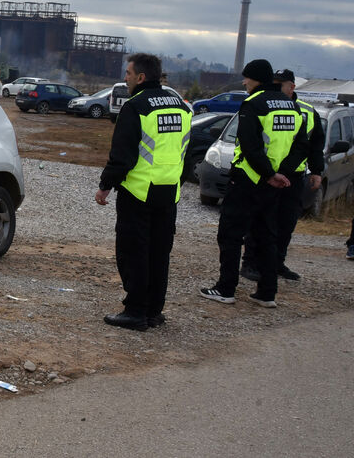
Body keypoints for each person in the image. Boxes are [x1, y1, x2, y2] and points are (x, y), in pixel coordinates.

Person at [95, 53, 191, 330]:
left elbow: (122, 155)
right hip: (168, 192)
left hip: (138, 193)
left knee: (133, 252)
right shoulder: (182, 107)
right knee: (159, 253)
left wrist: (105, 186)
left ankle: (136, 312)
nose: (124, 78)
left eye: (128, 73)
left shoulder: (136, 106)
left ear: (140, 77)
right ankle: (153, 312)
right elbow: (183, 151)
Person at [200, 59, 307, 308]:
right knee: (267, 236)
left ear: (256, 78)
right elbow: (302, 145)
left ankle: (225, 288)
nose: (244, 82)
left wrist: (268, 173)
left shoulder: (254, 103)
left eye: (246, 78)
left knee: (230, 235)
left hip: (249, 180)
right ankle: (267, 292)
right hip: (275, 184)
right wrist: (282, 174)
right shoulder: (291, 106)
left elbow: (249, 145)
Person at [240, 68, 323, 282]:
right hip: (264, 175)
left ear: (291, 87)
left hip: (292, 177)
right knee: (258, 222)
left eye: (280, 84)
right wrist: (269, 172)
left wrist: (316, 171)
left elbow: (313, 144)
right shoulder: (261, 104)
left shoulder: (305, 110)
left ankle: (277, 263)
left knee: (286, 222)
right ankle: (250, 263)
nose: (275, 87)